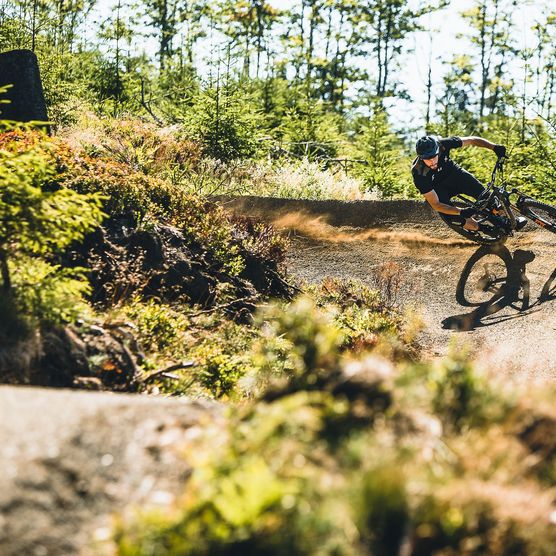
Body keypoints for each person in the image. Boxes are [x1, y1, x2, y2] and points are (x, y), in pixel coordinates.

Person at [411, 135, 526, 232]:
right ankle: (484, 229)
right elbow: (436, 204)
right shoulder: (419, 174)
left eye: (433, 156)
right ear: (421, 158)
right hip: (438, 189)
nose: (431, 161)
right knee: (457, 219)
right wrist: (461, 211)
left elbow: (472, 140)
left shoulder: (443, 144)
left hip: (455, 175)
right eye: (427, 158)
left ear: (437, 150)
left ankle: (511, 221)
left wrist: (494, 147)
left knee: (488, 198)